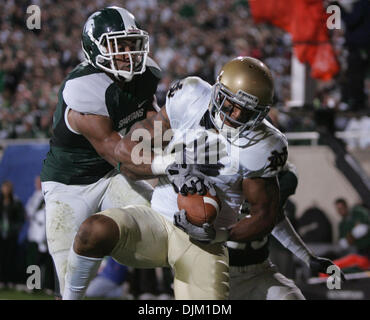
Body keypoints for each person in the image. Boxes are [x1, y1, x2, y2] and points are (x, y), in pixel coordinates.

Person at [62, 56, 290, 300]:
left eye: (245, 111)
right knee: (93, 231)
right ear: (216, 91)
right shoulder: (190, 96)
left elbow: (264, 215)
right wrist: (167, 165)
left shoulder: (265, 145)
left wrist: (220, 235)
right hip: (157, 221)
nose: (234, 114)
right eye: (229, 103)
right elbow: (125, 152)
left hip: (203, 241)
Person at [39, 6, 162, 297]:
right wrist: (171, 164)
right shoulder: (84, 87)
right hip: (69, 184)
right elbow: (119, 155)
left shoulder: (146, 75)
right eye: (118, 45)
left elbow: (154, 127)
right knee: (71, 287)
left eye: (131, 44)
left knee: (165, 219)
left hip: (111, 176)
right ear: (95, 48)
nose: (128, 53)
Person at [227, 162, 343, 300]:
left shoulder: (268, 179)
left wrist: (308, 257)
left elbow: (275, 220)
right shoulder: (215, 185)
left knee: (291, 297)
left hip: (260, 270)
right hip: (221, 274)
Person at [0, 180, 25, 288]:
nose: (6, 190)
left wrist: (15, 229)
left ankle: (9, 280)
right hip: (1, 234)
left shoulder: (16, 202)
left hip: (11, 235)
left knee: (10, 258)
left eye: (8, 188)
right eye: (4, 188)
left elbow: (20, 218)